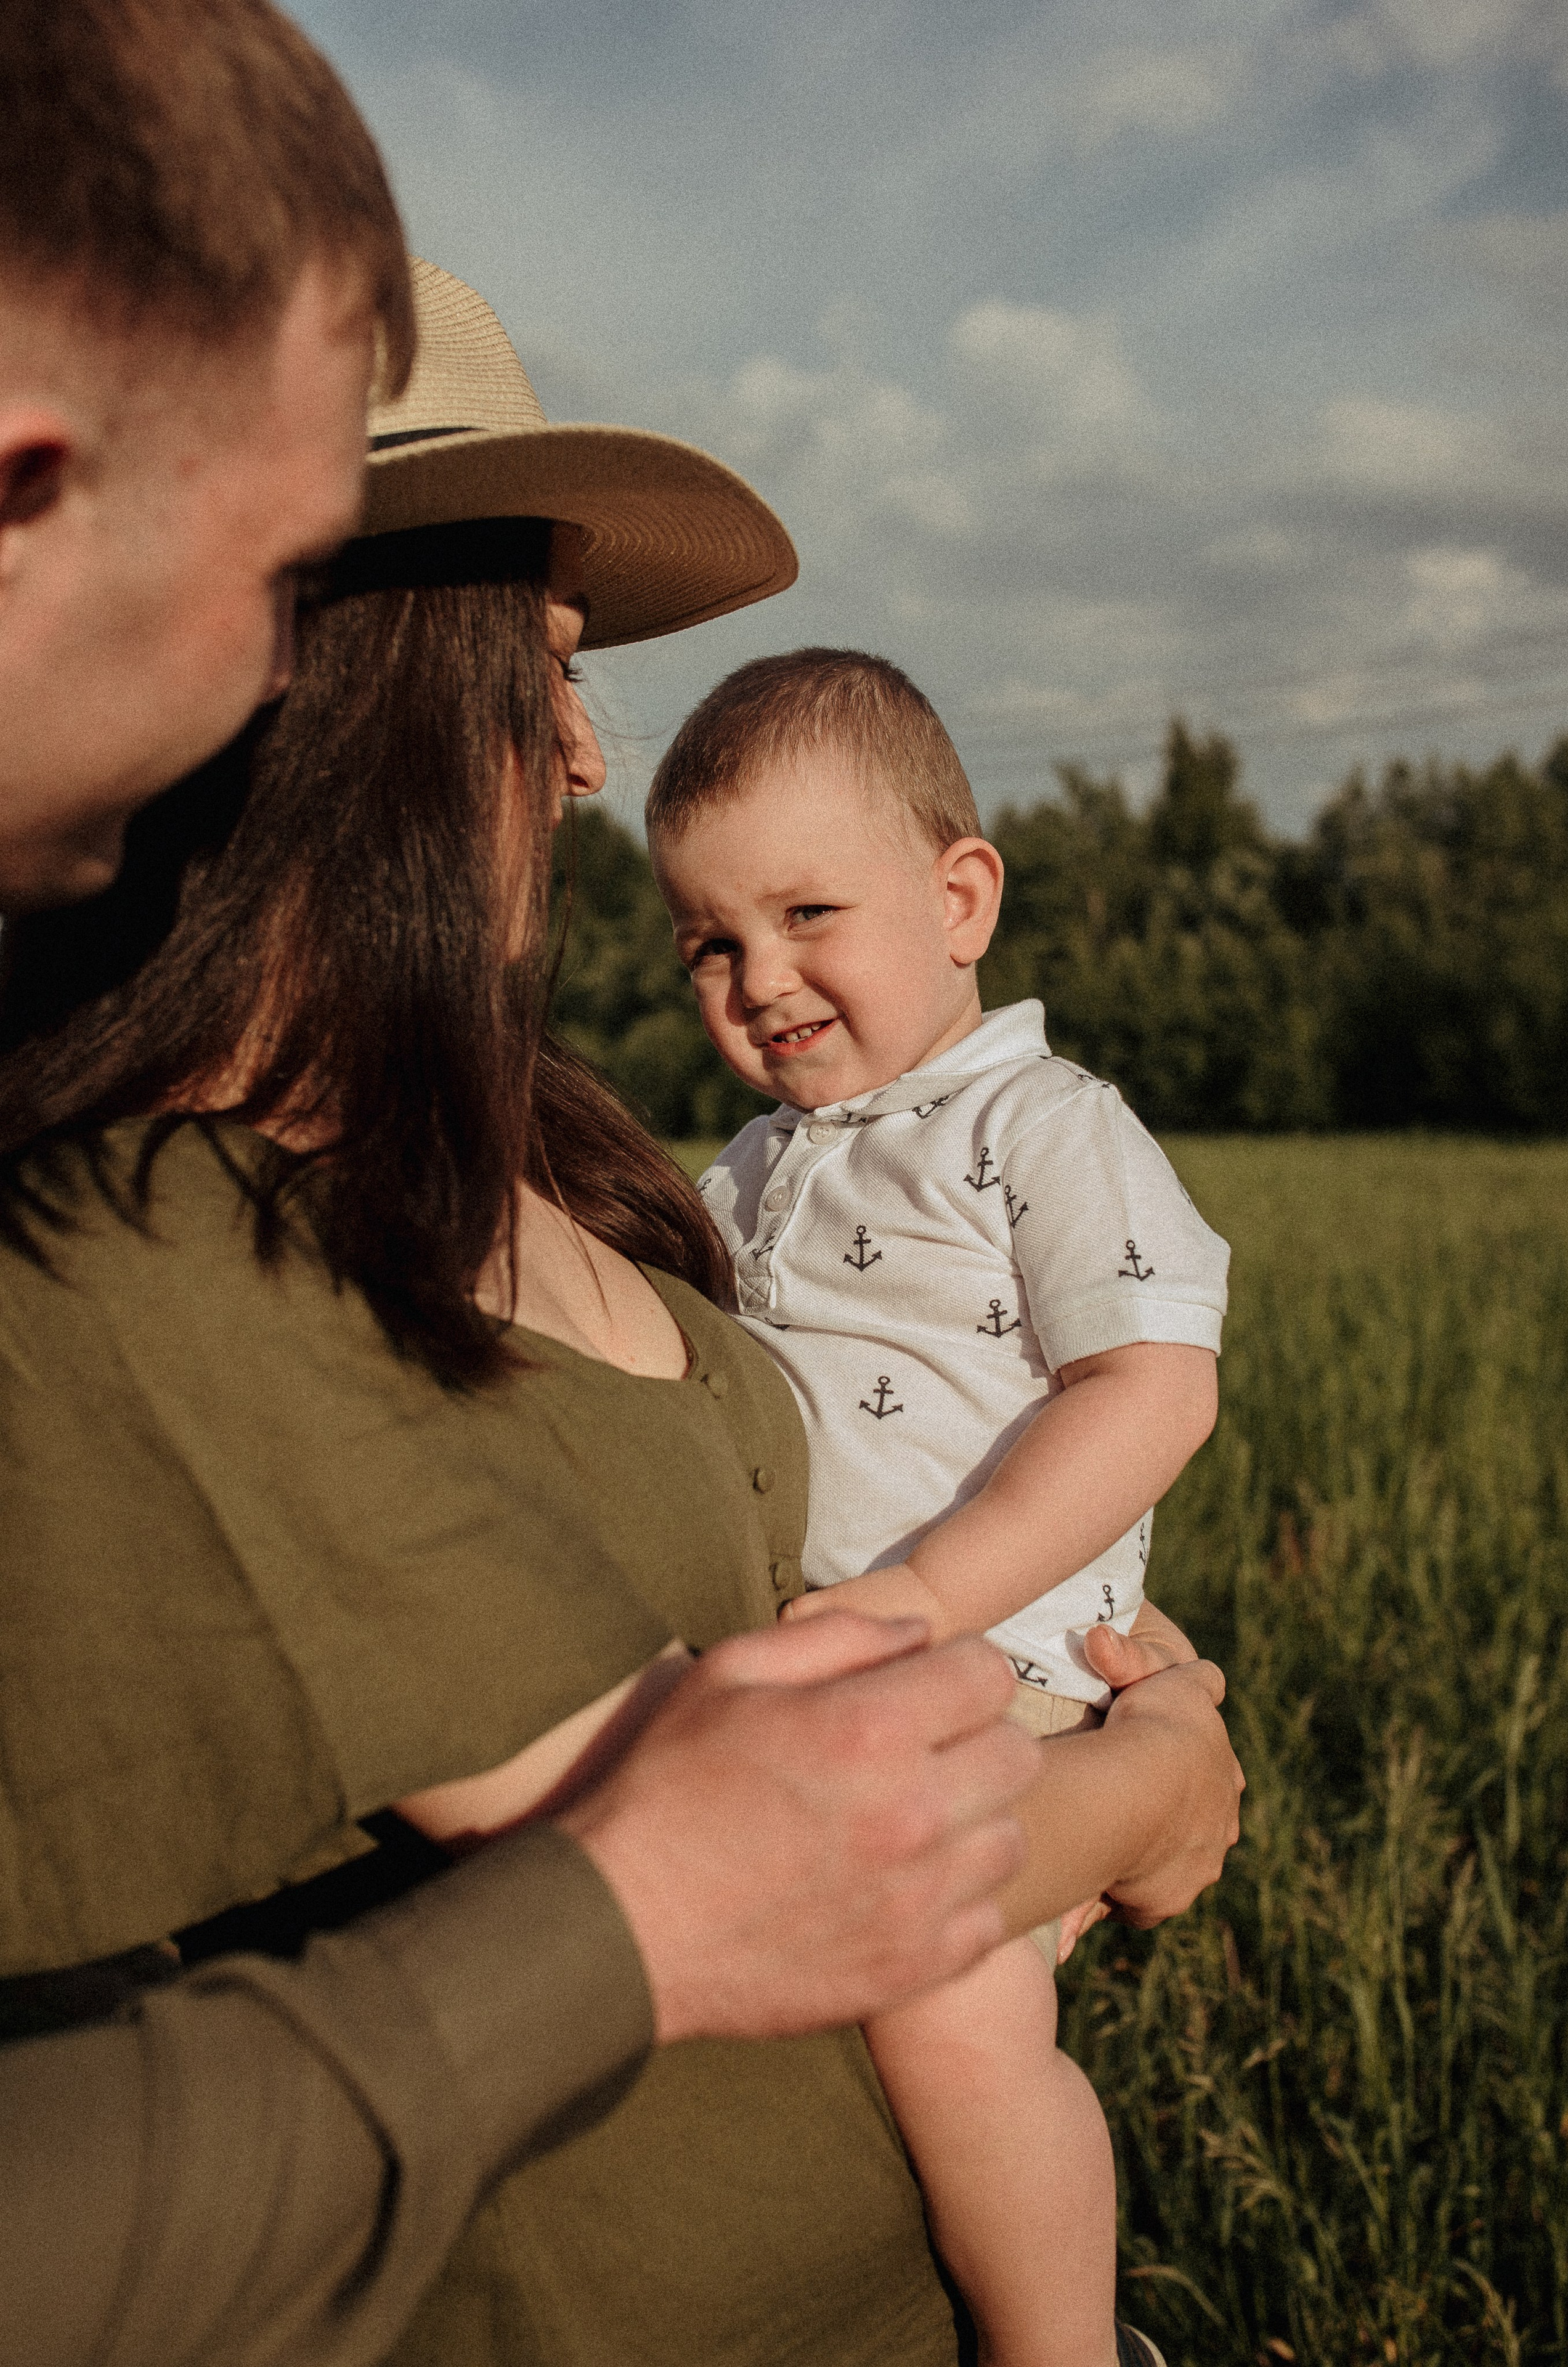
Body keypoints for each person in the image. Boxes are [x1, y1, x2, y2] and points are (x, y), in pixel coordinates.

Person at [0, 265, 1243, 2367]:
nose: (584, 756)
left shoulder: (562, 1145)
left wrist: (1095, 1693)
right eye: (546, 670)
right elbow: (736, 1831)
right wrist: (1160, 1778)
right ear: (337, 683)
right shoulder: (174, 1247)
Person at [645, 647, 1233, 2367]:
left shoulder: (1038, 1128)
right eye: (709, 944)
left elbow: (1152, 1386)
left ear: (960, 895)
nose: (762, 979)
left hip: (993, 1658)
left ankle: (1059, 2348)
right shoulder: (752, 1166)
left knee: (952, 2011)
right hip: (851, 1663)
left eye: (810, 911)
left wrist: (921, 1602)